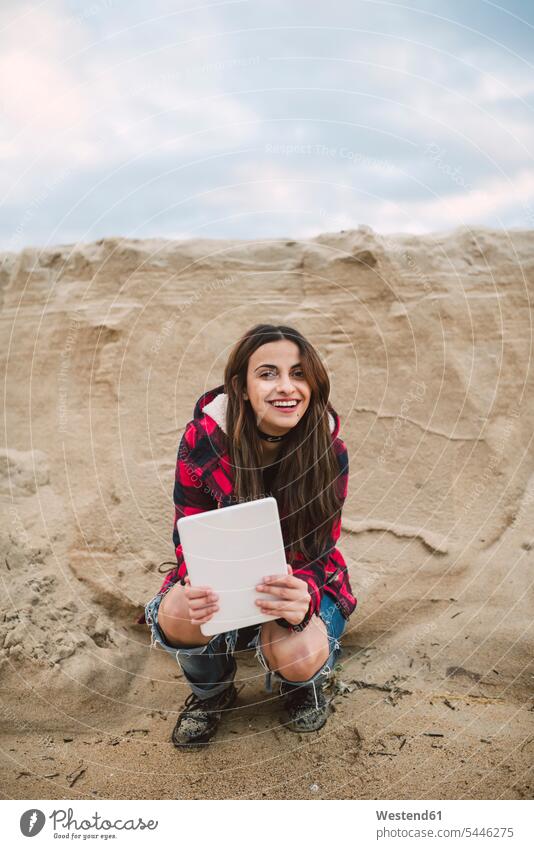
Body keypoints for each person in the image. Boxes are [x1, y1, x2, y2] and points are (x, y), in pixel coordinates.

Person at [139, 323, 356, 748]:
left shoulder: (330, 452)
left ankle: (303, 686)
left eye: (298, 373)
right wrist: (195, 583)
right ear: (240, 386)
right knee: (180, 614)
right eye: (268, 373)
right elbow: (188, 531)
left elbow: (318, 549)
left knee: (296, 654)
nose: (287, 387)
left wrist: (302, 598)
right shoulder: (202, 442)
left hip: (299, 579)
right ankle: (212, 694)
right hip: (227, 579)